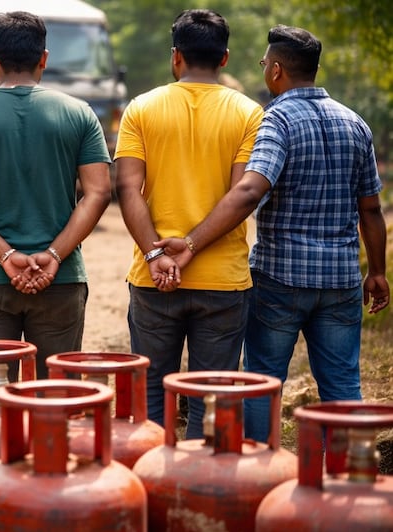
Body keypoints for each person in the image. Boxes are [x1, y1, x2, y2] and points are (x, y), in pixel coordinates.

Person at [153, 25, 389, 442]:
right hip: (340, 280)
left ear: (276, 71)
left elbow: (249, 190)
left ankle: (263, 474)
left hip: (281, 280)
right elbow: (370, 209)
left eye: (265, 64)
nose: (264, 70)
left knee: (263, 384)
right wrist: (378, 272)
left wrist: (191, 242)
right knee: (343, 386)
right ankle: (350, 478)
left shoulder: (276, 119)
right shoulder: (356, 124)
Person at [0, 11, 111, 380]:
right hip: (60, 279)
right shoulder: (79, 114)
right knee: (58, 397)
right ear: (44, 58)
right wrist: (52, 255)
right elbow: (97, 194)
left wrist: (6, 256)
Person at [114, 9, 264, 439]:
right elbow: (244, 195)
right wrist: (192, 246)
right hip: (222, 282)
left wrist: (157, 252)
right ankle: (199, 491)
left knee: (153, 398)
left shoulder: (141, 108)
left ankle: (152, 488)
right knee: (211, 397)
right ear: (225, 58)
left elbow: (127, 189)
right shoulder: (250, 114)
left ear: (175, 56)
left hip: (154, 277)